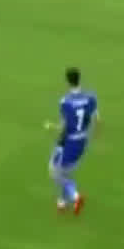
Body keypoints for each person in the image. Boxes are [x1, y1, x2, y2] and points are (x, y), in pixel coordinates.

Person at [49, 67, 98, 215]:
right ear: (79, 79)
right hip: (82, 140)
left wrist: (52, 127)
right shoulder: (90, 98)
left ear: (67, 81)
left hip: (69, 142)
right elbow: (96, 120)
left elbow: (64, 126)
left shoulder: (65, 101)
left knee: (55, 172)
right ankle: (62, 202)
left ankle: (75, 196)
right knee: (66, 171)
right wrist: (92, 137)